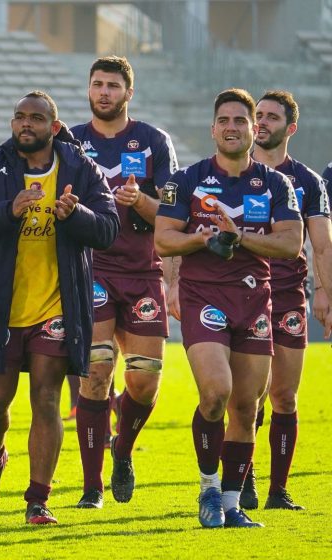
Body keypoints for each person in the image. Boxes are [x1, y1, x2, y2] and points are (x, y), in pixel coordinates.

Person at [0, 91, 118, 524]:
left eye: (36, 118)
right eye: (20, 116)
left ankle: (38, 499)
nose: (26, 124)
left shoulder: (82, 170)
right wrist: (8, 209)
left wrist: (75, 215)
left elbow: (108, 229)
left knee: (46, 397)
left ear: (54, 127)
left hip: (55, 307)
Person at [155, 88, 302, 529]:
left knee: (245, 408)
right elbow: (163, 239)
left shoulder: (277, 184)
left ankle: (232, 504)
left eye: (242, 120)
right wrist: (201, 238)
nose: (233, 127)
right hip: (205, 299)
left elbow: (291, 245)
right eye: (225, 120)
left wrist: (238, 236)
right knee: (215, 392)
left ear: (254, 128)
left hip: (255, 300)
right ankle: (207, 487)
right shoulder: (186, 180)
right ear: (213, 128)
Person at [68, 56, 179, 508]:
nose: (104, 92)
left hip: (142, 271)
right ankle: (92, 486)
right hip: (91, 270)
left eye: (113, 85)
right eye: (97, 84)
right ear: (89, 90)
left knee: (144, 380)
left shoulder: (154, 142)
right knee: (95, 374)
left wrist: (143, 202)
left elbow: (174, 211)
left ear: (128, 92)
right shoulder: (71, 142)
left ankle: (123, 450)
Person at [244, 90, 332, 510]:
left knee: (284, 395)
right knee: (247, 395)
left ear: (290, 127)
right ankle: (243, 479)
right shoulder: (229, 173)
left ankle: (279, 491)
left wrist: (326, 295)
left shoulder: (309, 181)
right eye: (257, 114)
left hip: (288, 294)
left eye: (271, 117)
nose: (261, 122)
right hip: (238, 293)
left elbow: (323, 246)